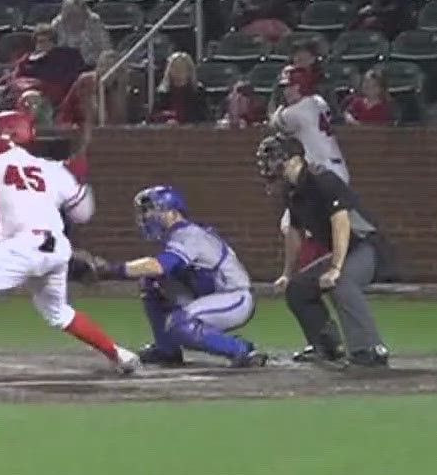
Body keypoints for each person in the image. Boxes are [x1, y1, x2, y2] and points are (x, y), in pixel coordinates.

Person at [0, 110, 139, 381]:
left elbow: (10, 162)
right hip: (58, 248)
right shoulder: (55, 170)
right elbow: (82, 214)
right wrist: (76, 178)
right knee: (58, 313)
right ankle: (119, 355)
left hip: (25, 244)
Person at [72, 186, 267, 368]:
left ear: (173, 213)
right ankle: (167, 351)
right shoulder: (177, 236)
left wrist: (111, 270)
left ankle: (242, 350)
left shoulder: (188, 235)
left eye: (154, 210)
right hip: (210, 294)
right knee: (151, 284)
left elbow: (158, 266)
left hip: (235, 298)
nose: (148, 216)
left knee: (179, 323)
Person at [256, 132, 390, 367]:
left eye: (276, 158)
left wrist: (336, 267)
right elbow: (294, 233)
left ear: (296, 159)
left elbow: (341, 221)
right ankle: (327, 346)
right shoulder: (291, 191)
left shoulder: (322, 179)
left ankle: (369, 348)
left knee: (341, 282)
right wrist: (287, 273)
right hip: (347, 251)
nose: (270, 165)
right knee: (298, 288)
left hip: (367, 248)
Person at [269, 64, 350, 181]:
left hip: (321, 172)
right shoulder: (318, 100)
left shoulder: (296, 111)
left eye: (290, 87)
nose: (286, 91)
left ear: (300, 86)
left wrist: (278, 107)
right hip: (338, 169)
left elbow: (272, 124)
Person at [8, 24, 88, 104]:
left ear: (54, 42)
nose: (44, 45)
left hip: (52, 99)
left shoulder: (66, 58)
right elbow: (16, 79)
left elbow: (69, 82)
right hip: (25, 97)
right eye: (40, 42)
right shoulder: (26, 60)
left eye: (49, 41)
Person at [149, 51, 210, 124]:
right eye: (175, 68)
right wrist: (167, 119)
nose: (178, 71)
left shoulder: (198, 91)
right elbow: (154, 117)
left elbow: (204, 118)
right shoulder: (162, 92)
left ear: (189, 71)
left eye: (182, 67)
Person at [51, 0, 110, 66]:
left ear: (84, 13)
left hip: (91, 65)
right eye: (69, 15)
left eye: (76, 15)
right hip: (63, 66)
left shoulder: (94, 21)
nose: (72, 18)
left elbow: (105, 49)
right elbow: (51, 49)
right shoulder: (57, 24)